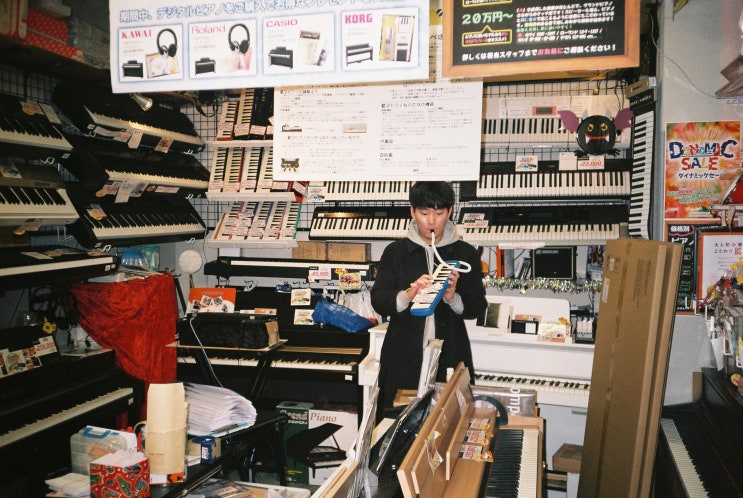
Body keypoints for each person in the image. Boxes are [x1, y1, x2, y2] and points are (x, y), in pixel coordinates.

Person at [370, 181, 487, 418]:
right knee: (397, 423)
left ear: (450, 212)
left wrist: (453, 298)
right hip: (402, 355)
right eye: (424, 213)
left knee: (449, 424)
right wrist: (407, 295)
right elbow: (379, 300)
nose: (431, 221)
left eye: (439, 213)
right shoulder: (395, 252)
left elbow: (477, 305)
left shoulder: (465, 253)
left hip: (451, 353)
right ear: (412, 212)